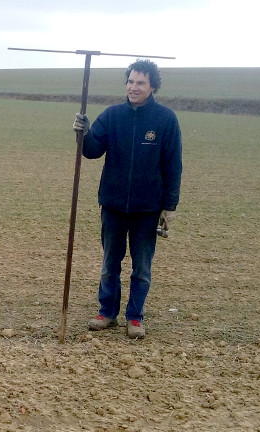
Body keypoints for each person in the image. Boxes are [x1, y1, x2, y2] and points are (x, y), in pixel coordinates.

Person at [72, 59, 182, 339]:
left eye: (141, 82)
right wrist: (82, 134)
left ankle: (135, 317)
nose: (134, 87)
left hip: (148, 208)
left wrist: (169, 207)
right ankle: (107, 313)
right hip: (113, 204)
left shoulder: (166, 120)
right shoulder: (111, 116)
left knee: (141, 268)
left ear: (153, 86)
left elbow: (173, 165)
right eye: (130, 81)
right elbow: (92, 151)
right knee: (110, 263)